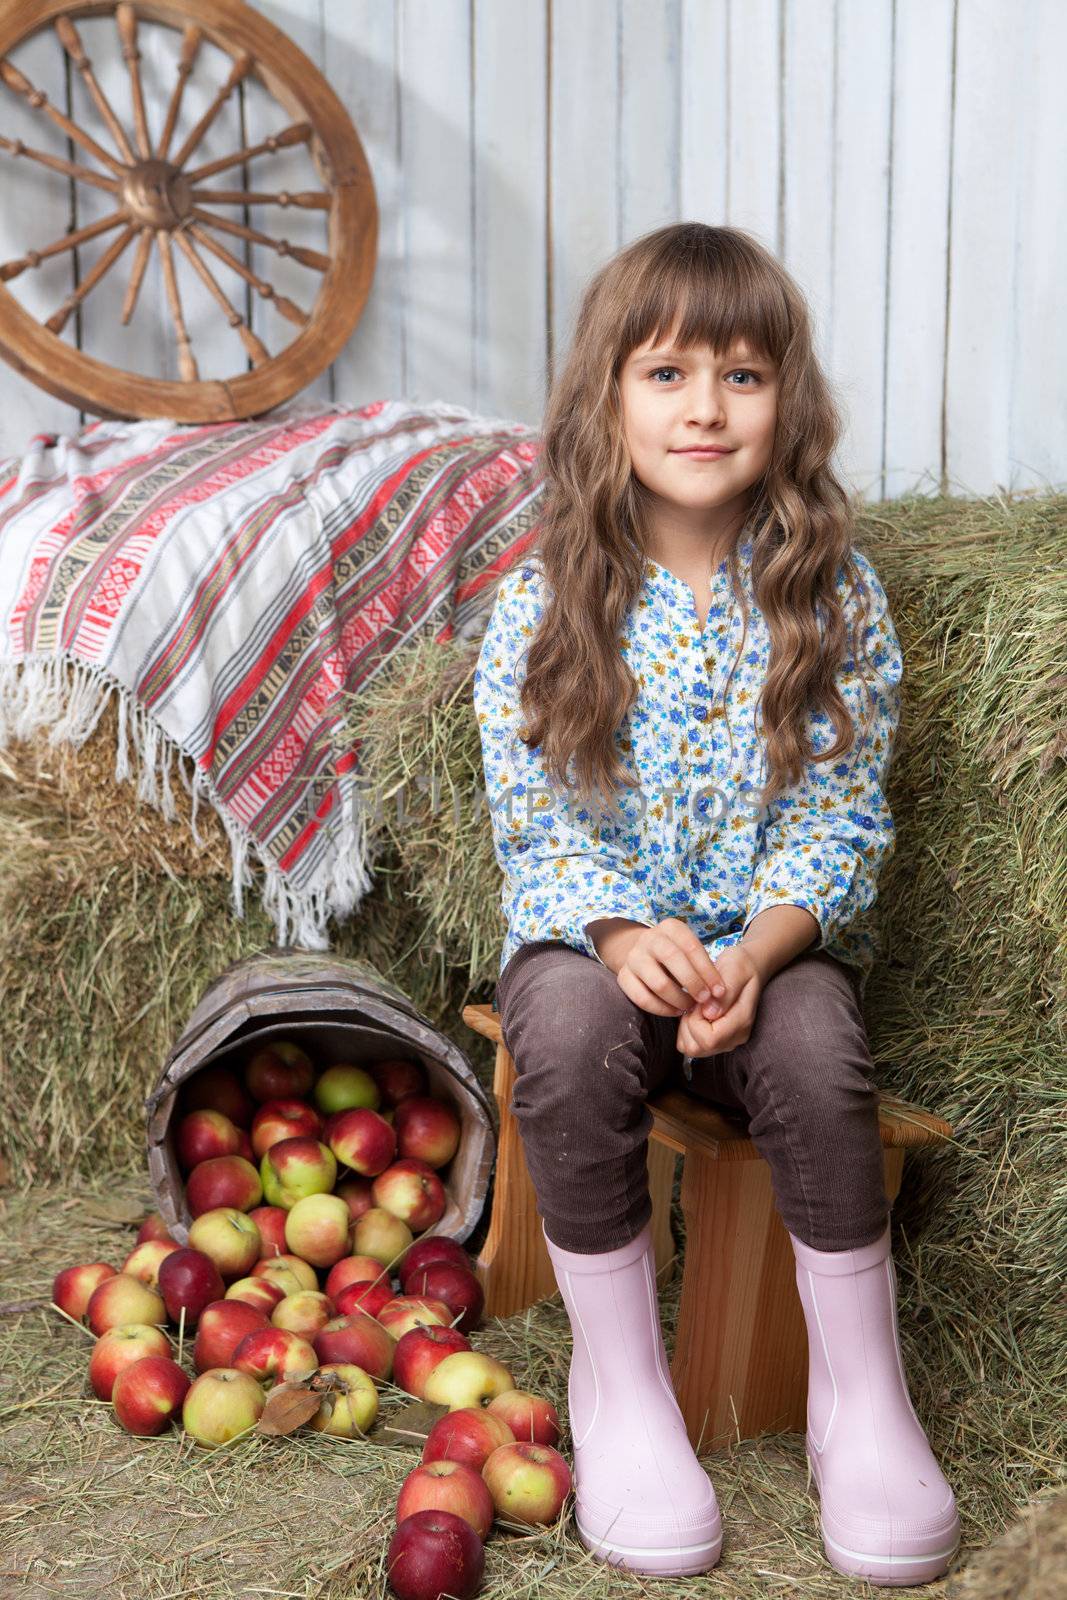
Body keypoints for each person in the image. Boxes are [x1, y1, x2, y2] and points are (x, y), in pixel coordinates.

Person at [473, 223, 961, 1585]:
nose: (703, 408)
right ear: (606, 397)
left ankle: (861, 1402)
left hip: (768, 945)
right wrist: (625, 934)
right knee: (564, 1042)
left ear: (785, 405)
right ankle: (620, 1391)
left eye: (742, 377)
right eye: (668, 372)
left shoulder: (832, 597)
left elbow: (841, 816)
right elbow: (538, 824)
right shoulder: (547, 599)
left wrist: (760, 946)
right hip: (599, 943)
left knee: (815, 1046)